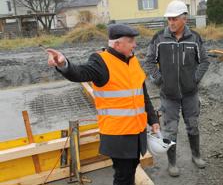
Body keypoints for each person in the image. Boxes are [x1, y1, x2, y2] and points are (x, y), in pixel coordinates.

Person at [46, 24, 160, 185]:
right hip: (118, 135)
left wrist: (153, 120)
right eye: (131, 41)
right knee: (123, 176)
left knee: (131, 169)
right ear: (117, 44)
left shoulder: (132, 60)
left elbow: (143, 95)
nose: (135, 44)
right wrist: (64, 64)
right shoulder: (101, 62)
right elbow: (80, 72)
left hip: (137, 132)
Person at [145, 0, 210, 177]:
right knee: (170, 130)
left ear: (184, 19)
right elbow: (149, 62)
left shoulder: (195, 38)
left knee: (193, 126)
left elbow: (204, 61)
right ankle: (172, 164)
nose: (171, 23)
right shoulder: (159, 38)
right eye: (169, 19)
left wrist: (195, 79)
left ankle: (196, 156)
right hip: (169, 95)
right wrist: (159, 81)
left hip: (190, 94)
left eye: (174, 19)